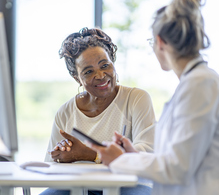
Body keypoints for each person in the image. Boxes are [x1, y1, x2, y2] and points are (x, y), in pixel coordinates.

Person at [86, 0, 219, 195]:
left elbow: (177, 168)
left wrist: (121, 160)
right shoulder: (199, 83)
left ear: (160, 42)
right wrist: (132, 155)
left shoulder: (200, 86)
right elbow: (178, 158)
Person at [41, 27, 155, 195]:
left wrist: (88, 154)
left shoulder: (136, 99)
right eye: (88, 71)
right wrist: (62, 156)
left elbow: (147, 154)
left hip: (128, 186)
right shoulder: (65, 112)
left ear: (113, 63)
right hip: (80, 188)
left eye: (105, 65)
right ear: (76, 77)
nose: (101, 75)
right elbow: (49, 166)